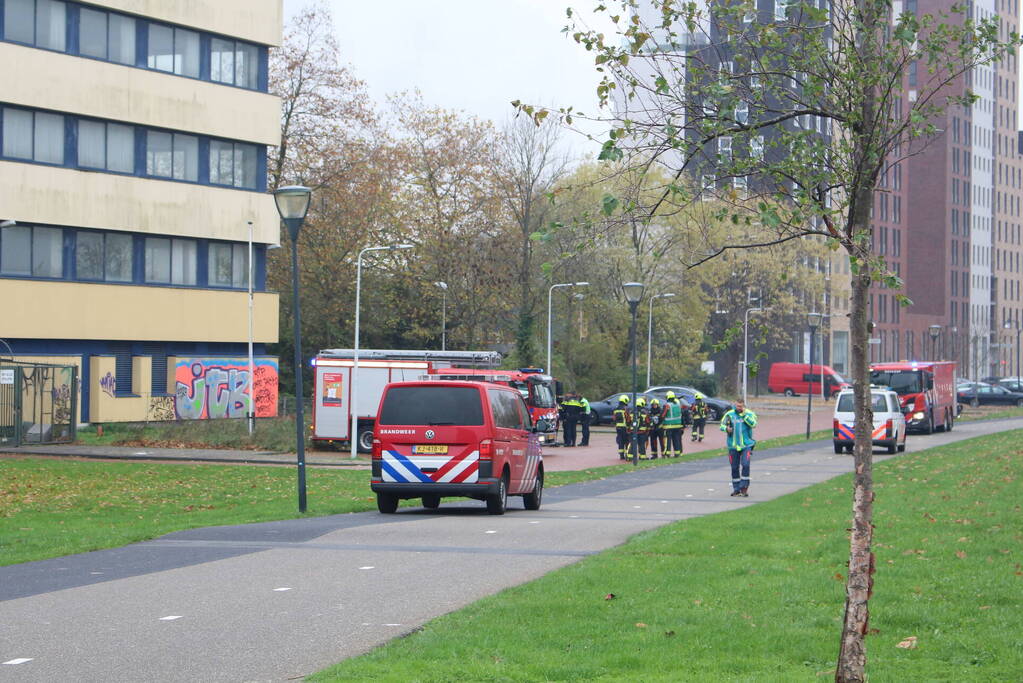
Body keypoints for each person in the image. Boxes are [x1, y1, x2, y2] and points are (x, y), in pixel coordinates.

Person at [720, 398, 758, 497]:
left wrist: (744, 415)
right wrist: (726, 429)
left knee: (745, 465)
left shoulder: (749, 414)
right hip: (733, 446)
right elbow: (721, 426)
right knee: (734, 467)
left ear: (744, 406)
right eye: (737, 406)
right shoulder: (729, 414)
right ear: (735, 405)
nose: (739, 408)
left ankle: (744, 488)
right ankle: (736, 489)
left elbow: (754, 424)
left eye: (741, 406)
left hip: (746, 445)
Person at [662, 391, 684, 457]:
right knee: (676, 440)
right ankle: (677, 453)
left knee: (667, 440)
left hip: (669, 426)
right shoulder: (678, 405)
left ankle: (667, 453)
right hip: (678, 426)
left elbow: (663, 415)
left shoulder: (667, 405)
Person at [613, 395, 631, 460]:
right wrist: (629, 426)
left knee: (620, 441)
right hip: (625, 427)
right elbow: (628, 418)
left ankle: (621, 455)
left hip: (618, 427)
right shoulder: (626, 409)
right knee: (627, 441)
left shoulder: (615, 409)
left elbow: (614, 418)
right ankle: (627, 454)